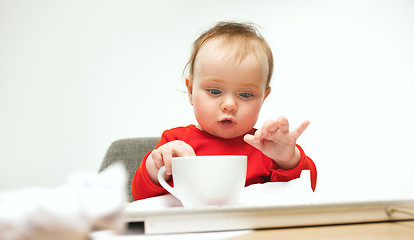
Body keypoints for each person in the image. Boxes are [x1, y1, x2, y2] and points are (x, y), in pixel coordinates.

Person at [131, 21, 317, 201]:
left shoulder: (267, 147)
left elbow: (302, 192)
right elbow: (140, 196)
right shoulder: (175, 143)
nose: (229, 104)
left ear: (263, 98)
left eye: (245, 94)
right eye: (214, 91)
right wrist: (155, 167)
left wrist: (288, 159)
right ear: (191, 91)